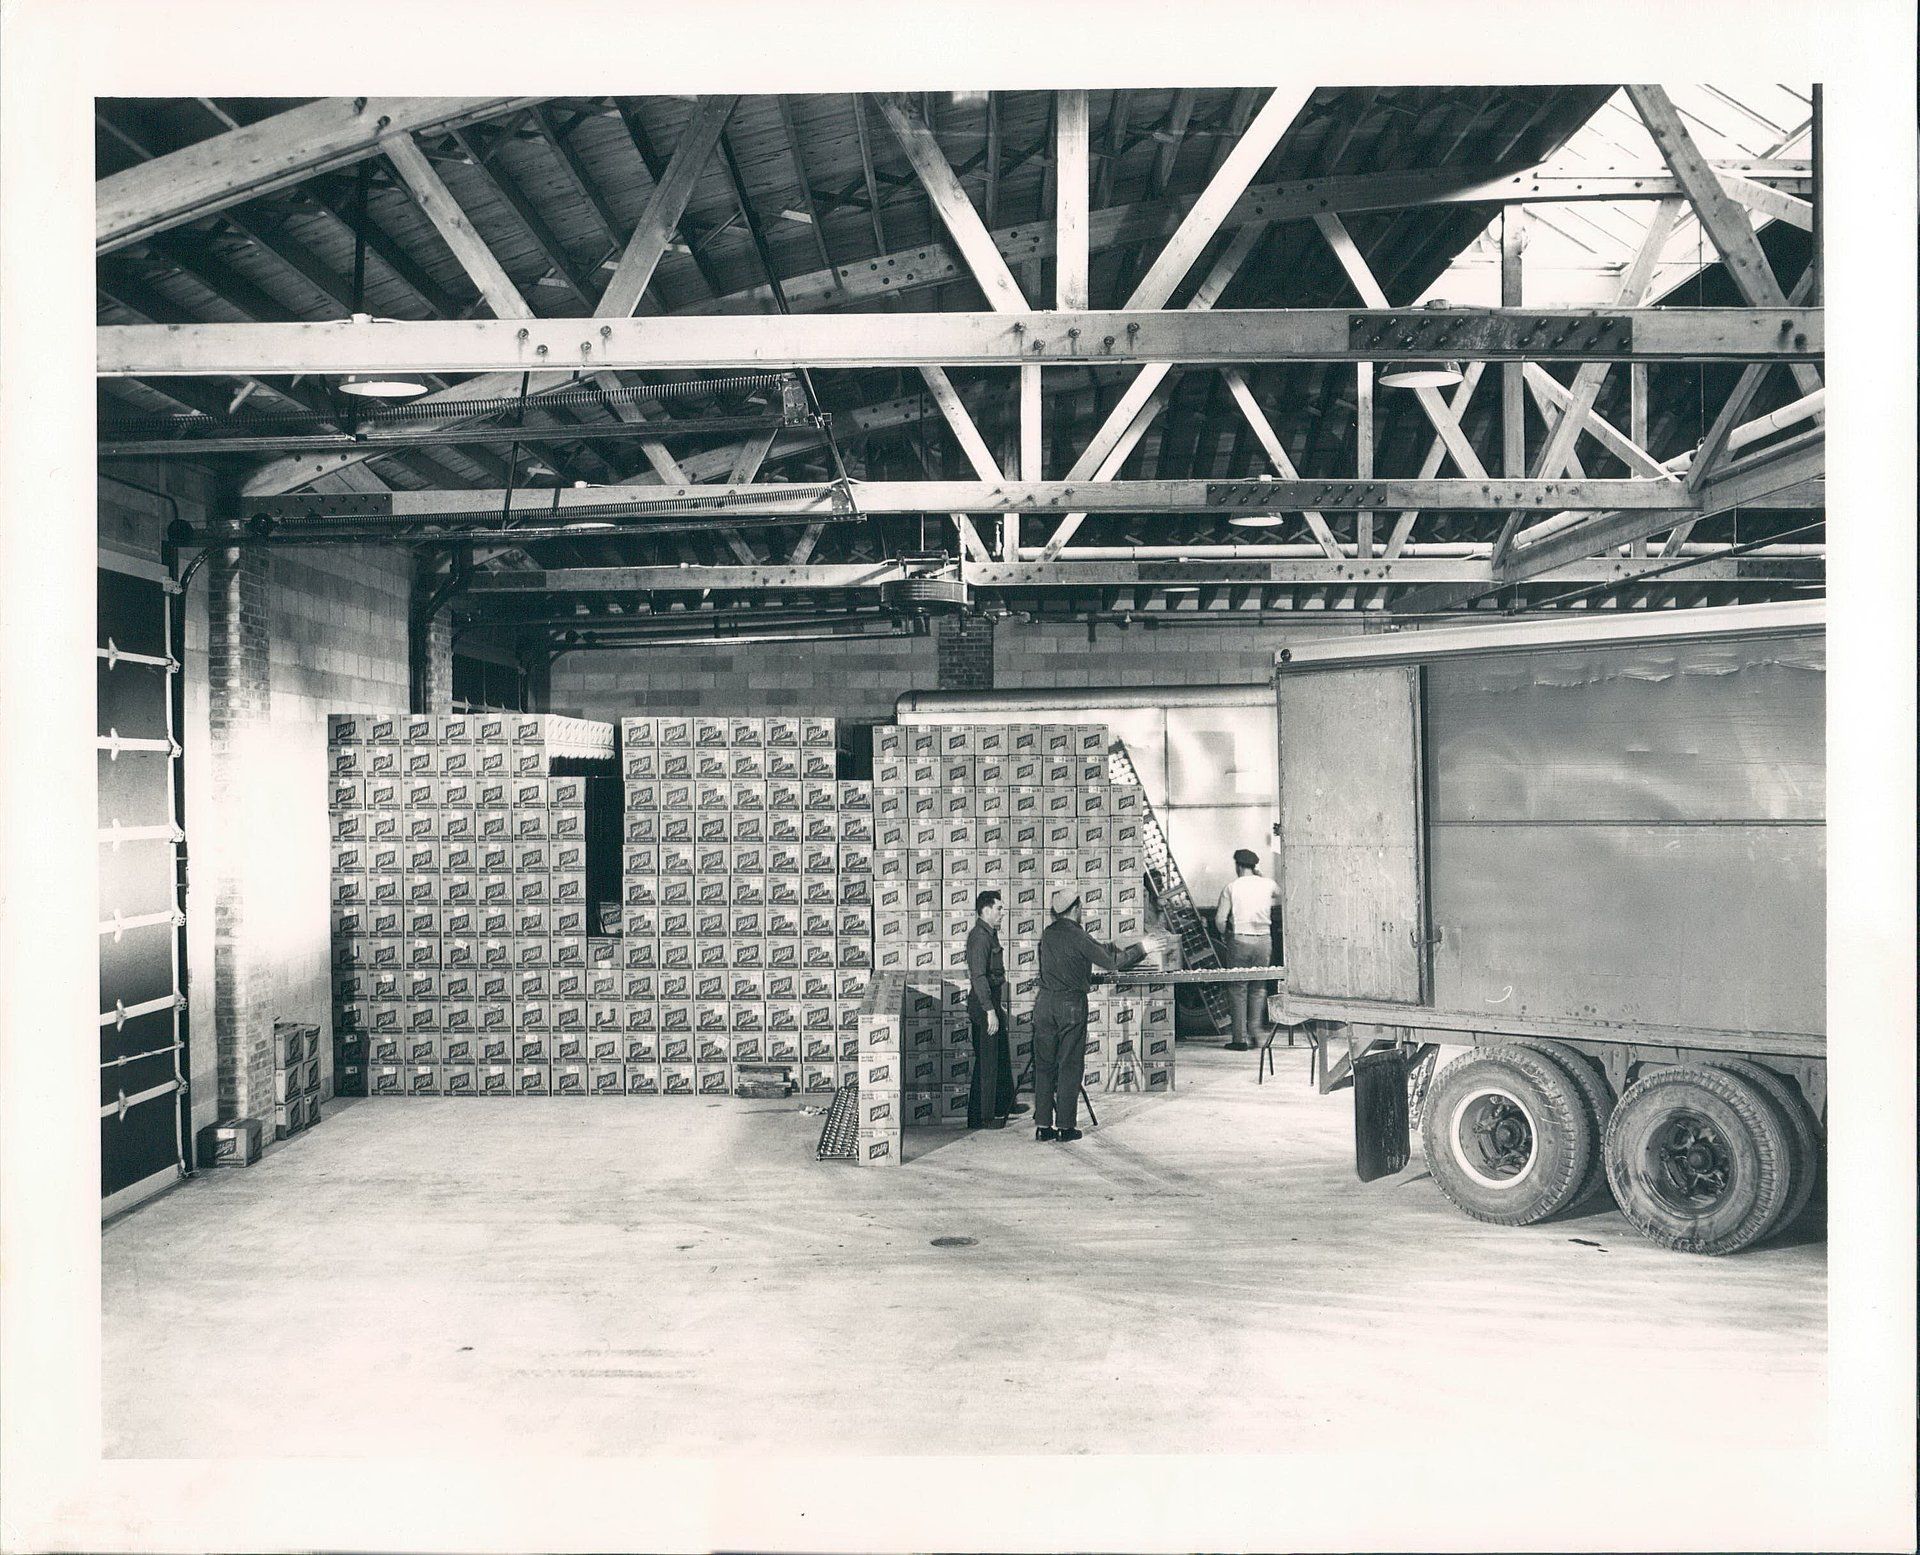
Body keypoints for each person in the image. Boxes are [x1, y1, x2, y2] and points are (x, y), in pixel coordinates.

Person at [1033, 888, 1142, 1142]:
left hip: (1044, 1004)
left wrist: (1110, 947)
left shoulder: (1048, 934)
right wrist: (1141, 949)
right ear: (1075, 908)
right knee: (1070, 1064)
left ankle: (1043, 1127)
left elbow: (1086, 951)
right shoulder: (1079, 936)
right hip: (1069, 1004)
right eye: (1081, 907)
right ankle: (1065, 1127)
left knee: (1044, 1066)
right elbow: (1112, 962)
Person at [1214, 847, 1282, 1051]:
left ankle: (1239, 1039)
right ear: (1254, 866)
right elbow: (1282, 895)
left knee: (1238, 990)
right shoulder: (1268, 884)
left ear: (1238, 865)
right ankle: (1256, 1034)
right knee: (1259, 988)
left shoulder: (1231, 887)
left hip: (1240, 940)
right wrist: (1261, 875)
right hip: (1264, 940)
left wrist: (1224, 936)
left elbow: (1219, 920)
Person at [964, 889, 1016, 1129]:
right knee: (987, 1062)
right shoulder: (980, 938)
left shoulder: (990, 934)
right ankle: (982, 1117)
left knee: (1000, 1055)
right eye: (999, 908)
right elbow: (978, 976)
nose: (1002, 913)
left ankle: (1002, 1106)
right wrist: (990, 1011)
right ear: (985, 910)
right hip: (984, 1005)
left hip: (992, 1003)